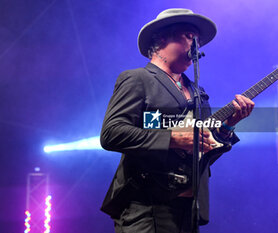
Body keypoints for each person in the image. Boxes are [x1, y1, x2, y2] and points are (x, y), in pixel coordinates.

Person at [100, 8, 255, 233]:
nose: (196, 45)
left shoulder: (199, 94)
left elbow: (203, 155)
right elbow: (111, 133)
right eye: (189, 36)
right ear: (162, 36)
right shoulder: (138, 79)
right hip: (145, 208)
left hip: (189, 209)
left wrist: (228, 126)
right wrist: (173, 138)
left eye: (198, 41)